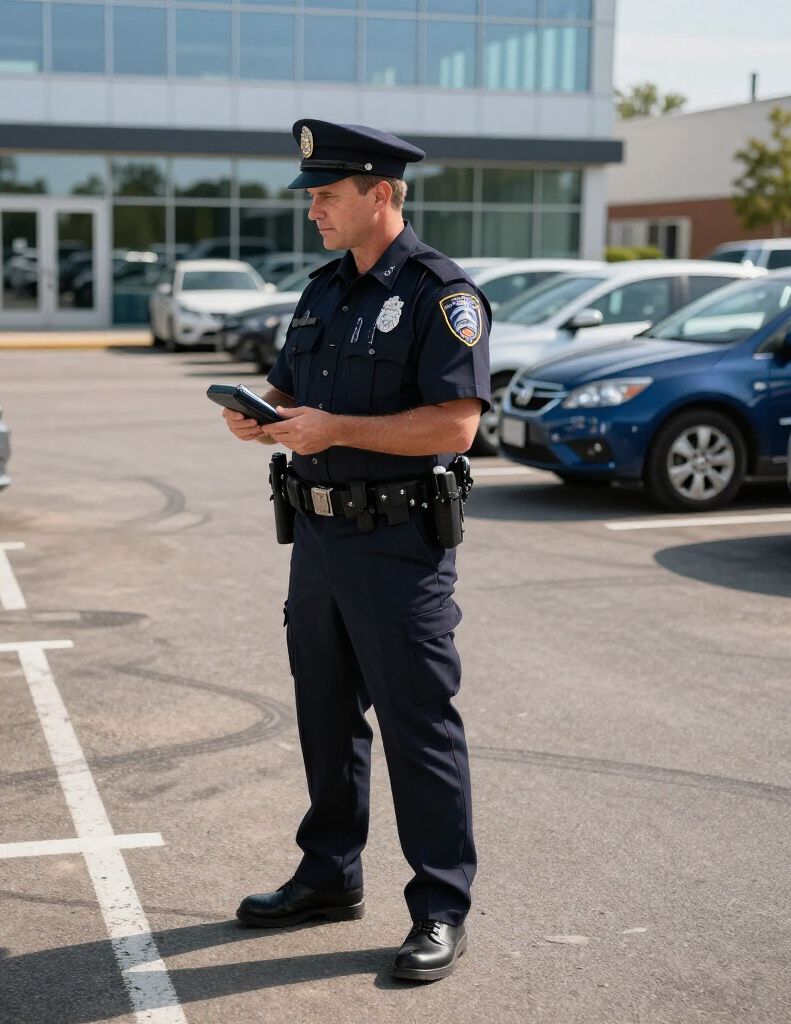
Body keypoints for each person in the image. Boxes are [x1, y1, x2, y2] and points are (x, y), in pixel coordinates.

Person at [219, 118, 492, 982]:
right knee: (326, 715)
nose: (313, 211)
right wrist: (257, 408)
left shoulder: (440, 294)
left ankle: (441, 906)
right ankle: (330, 873)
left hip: (398, 547)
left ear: (382, 193)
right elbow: (292, 385)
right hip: (319, 539)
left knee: (418, 725)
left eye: (327, 196)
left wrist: (333, 427)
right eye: (311, 196)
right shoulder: (324, 291)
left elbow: (457, 422)